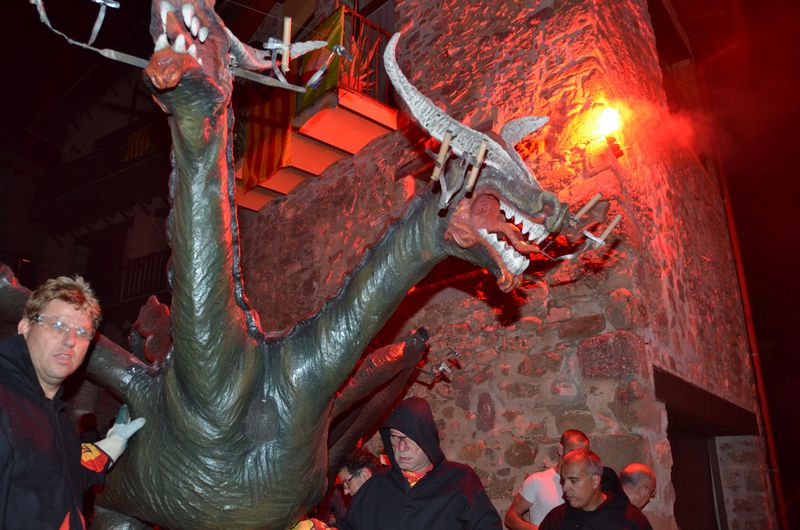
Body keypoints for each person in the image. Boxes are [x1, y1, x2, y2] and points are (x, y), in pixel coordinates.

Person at [0, 275, 145, 529]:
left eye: (82, 332)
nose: (70, 340)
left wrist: (114, 443)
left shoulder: (53, 413)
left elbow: (67, 473)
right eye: (58, 325)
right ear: (25, 327)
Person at [338, 396, 502, 530]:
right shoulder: (377, 485)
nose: (401, 447)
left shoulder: (460, 480)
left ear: (425, 438)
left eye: (407, 438)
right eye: (395, 438)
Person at [505, 430, 625, 530]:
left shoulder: (592, 483)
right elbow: (511, 517)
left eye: (583, 452)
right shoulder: (537, 481)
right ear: (561, 449)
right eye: (573, 451)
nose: (577, 457)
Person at [539, 449, 652, 530]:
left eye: (573, 480)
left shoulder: (630, 519)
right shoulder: (556, 519)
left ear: (595, 481)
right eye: (563, 480)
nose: (565, 487)